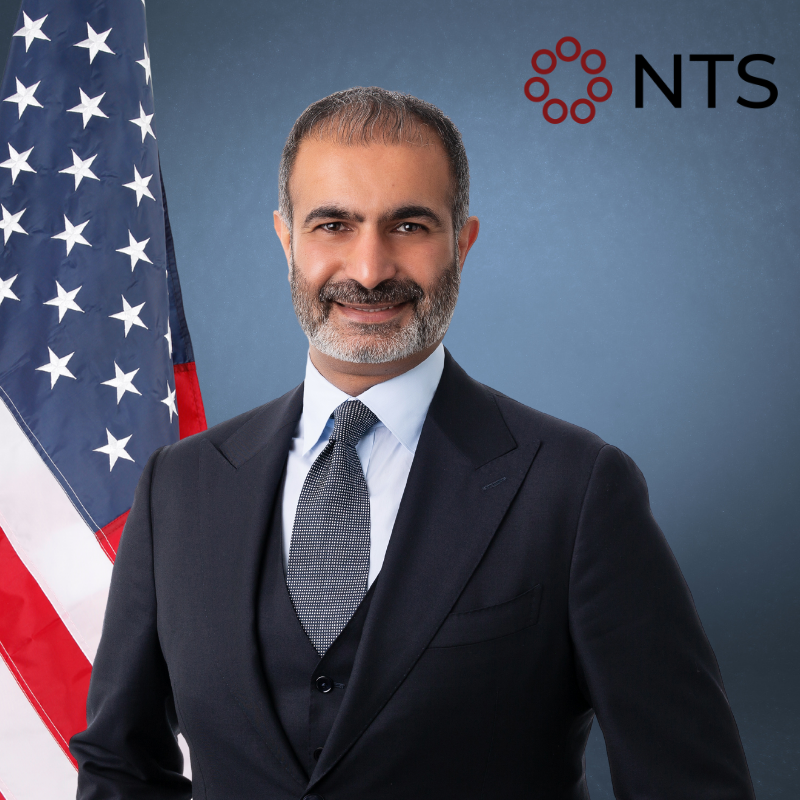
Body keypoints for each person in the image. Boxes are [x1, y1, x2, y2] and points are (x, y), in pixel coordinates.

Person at [70, 87, 755, 800]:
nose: (369, 270)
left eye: (409, 225)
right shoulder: (178, 487)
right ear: (286, 238)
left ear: (463, 240)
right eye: (333, 224)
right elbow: (121, 768)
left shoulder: (578, 491)